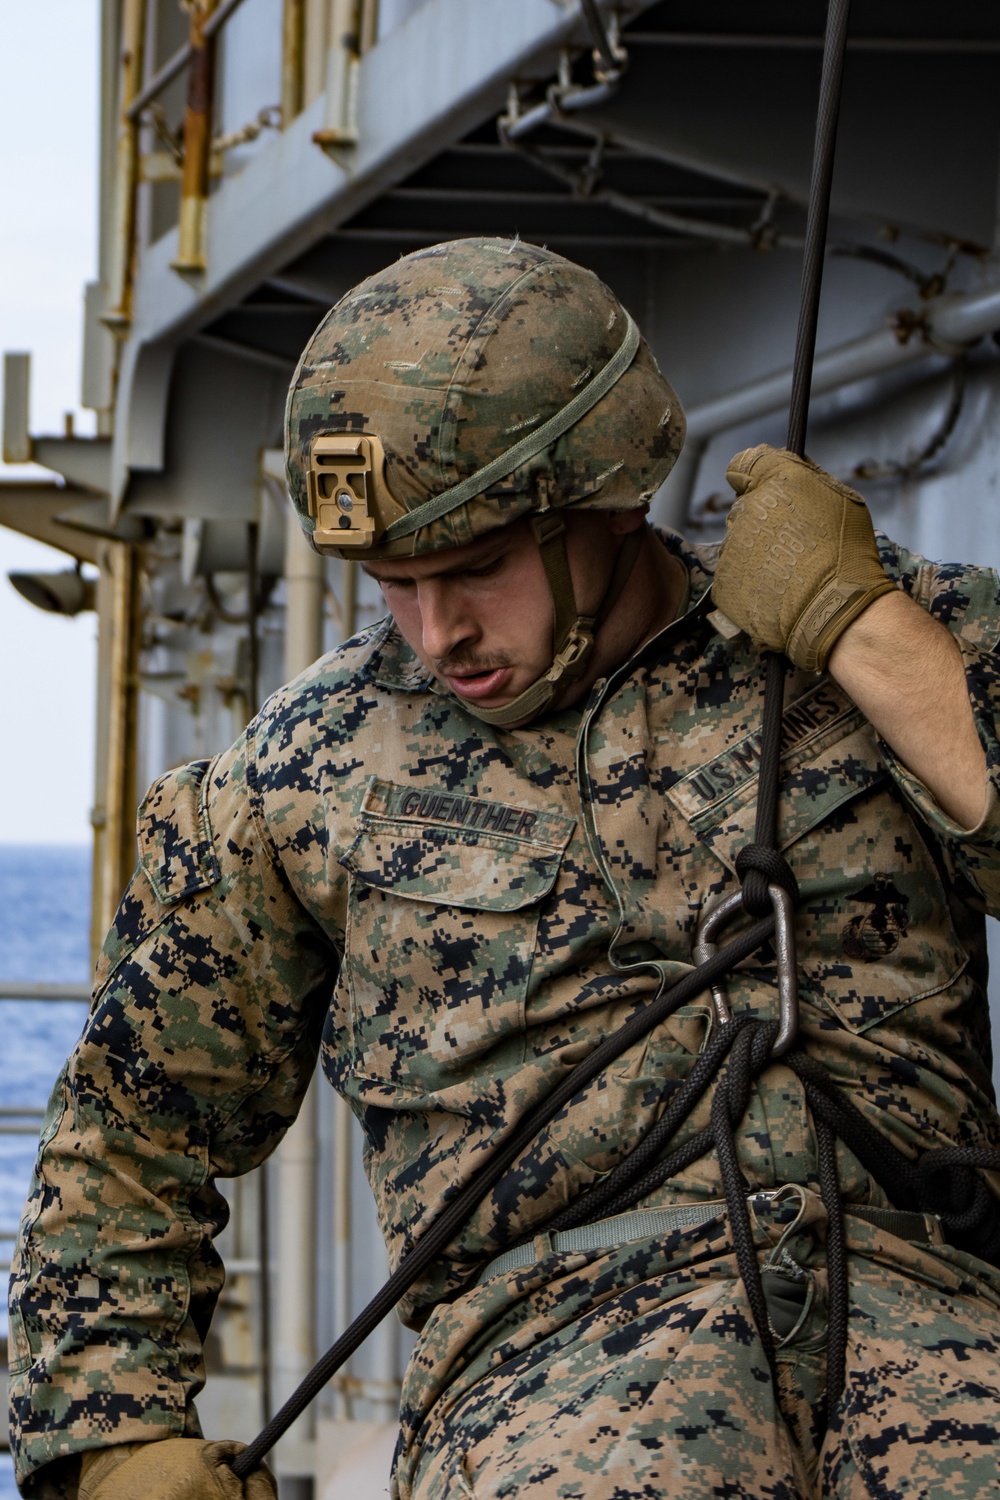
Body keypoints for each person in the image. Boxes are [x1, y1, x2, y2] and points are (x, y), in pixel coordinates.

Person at [10, 237, 1000, 1500]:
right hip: (558, 1365)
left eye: (476, 567)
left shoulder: (862, 631)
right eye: (393, 586)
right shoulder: (309, 769)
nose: (439, 634)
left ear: (611, 496)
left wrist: (863, 634)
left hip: (937, 1314)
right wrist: (110, 1444)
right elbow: (134, 1122)